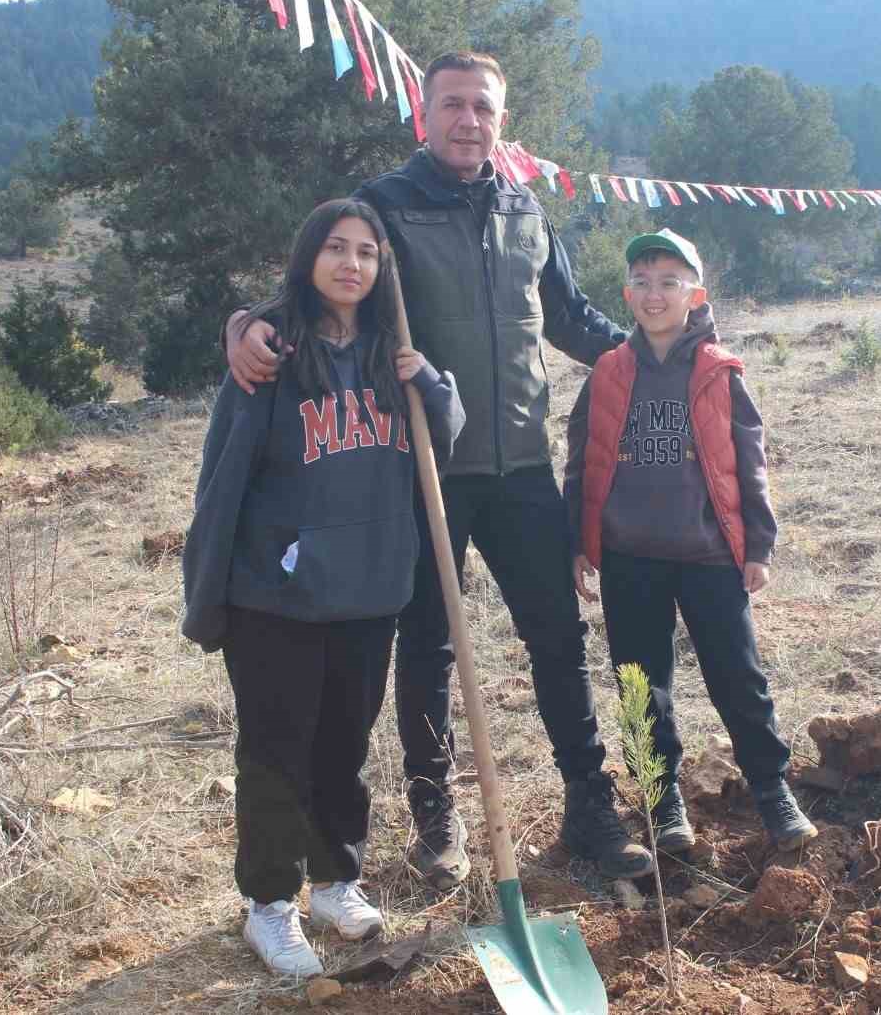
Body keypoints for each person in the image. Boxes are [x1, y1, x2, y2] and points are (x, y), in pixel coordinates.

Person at [224, 52, 655, 888]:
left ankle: (589, 808)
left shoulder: (526, 209)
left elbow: (570, 317)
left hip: (522, 467)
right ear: (423, 115)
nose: (468, 120)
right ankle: (436, 818)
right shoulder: (386, 207)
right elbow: (323, 288)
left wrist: (661, 355)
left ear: (502, 120)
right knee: (425, 645)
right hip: (422, 468)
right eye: (452, 104)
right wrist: (243, 325)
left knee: (558, 639)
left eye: (482, 107)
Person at [183, 199, 465, 977]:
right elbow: (223, 474)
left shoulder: (394, 351)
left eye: (367, 252)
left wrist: (430, 383)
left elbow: (445, 440)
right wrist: (211, 587)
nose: (352, 263)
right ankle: (269, 905)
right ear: (310, 257)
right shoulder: (270, 351)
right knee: (276, 753)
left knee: (345, 745)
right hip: (277, 594)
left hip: (370, 587)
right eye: (337, 248)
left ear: (382, 268)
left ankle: (337, 882)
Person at [564, 229, 817, 855]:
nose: (655, 294)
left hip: (709, 555)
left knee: (738, 676)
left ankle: (771, 790)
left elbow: (749, 462)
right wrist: (578, 542)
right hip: (629, 557)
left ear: (694, 295)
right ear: (627, 294)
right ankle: (662, 800)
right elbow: (582, 461)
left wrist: (758, 546)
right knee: (639, 684)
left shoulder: (718, 372)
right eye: (642, 282)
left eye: (669, 283)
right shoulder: (608, 372)